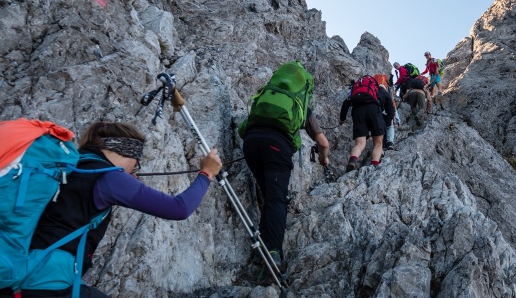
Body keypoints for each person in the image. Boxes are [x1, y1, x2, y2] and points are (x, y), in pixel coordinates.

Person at [0, 121, 223, 298]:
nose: (136, 167)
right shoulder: (108, 177)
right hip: (47, 282)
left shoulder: (68, 167)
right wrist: (206, 174)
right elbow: (179, 208)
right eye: (137, 161)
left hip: (21, 269)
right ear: (127, 152)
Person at [242, 107, 329, 270]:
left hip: (250, 144)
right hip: (276, 146)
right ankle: (274, 253)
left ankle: (260, 250)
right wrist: (324, 159)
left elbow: (244, 126)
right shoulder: (300, 104)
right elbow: (323, 143)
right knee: (276, 199)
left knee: (270, 196)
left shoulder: (267, 98)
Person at [340, 87, 385, 171]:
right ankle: (374, 165)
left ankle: (353, 160)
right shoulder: (377, 91)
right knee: (378, 143)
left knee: (360, 144)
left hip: (358, 112)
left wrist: (342, 118)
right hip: (374, 111)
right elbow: (390, 109)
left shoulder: (357, 92)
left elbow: (346, 103)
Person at [377, 84, 396, 150]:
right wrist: (387, 123)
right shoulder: (386, 94)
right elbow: (391, 110)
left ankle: (380, 150)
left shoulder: (373, 92)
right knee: (390, 126)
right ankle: (390, 142)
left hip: (373, 115)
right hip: (383, 113)